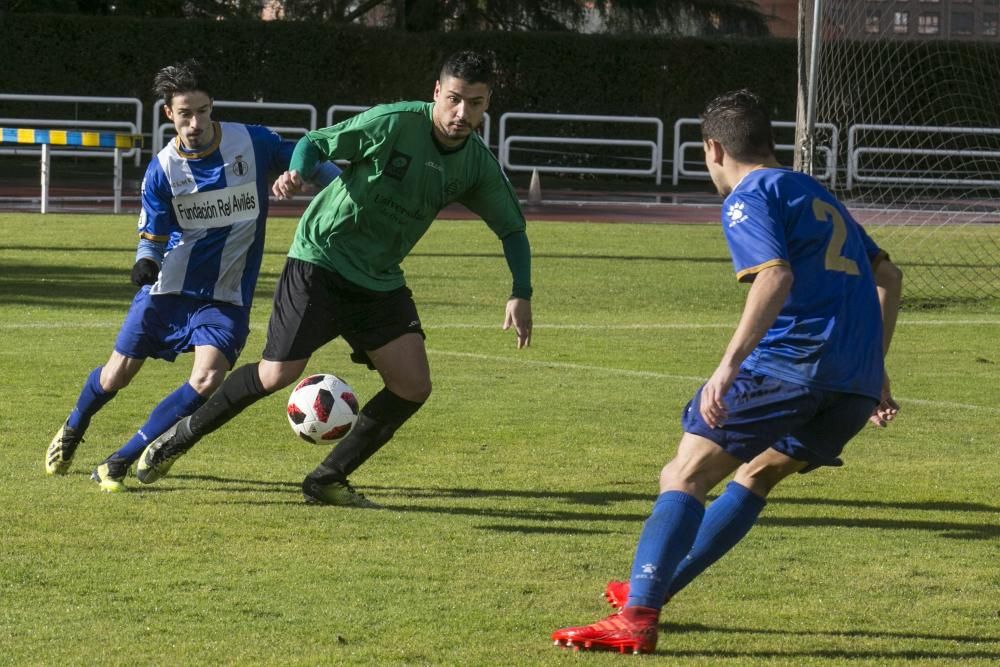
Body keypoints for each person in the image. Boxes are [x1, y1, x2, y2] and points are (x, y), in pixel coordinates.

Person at [551, 89, 903, 655]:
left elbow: (774, 277)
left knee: (685, 472)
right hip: (852, 383)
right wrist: (875, 368)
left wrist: (727, 367)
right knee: (756, 474)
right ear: (770, 140)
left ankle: (638, 616)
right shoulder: (813, 190)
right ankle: (652, 590)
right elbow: (890, 277)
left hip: (791, 365)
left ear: (713, 148)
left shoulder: (748, 195)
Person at [133, 50, 534, 507]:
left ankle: (327, 478)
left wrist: (520, 292)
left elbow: (513, 229)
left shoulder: (475, 164)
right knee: (276, 373)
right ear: (437, 93)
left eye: (476, 104)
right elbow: (316, 142)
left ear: (487, 105)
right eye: (455, 100)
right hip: (320, 259)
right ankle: (176, 438)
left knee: (413, 385)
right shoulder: (394, 123)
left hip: (378, 279)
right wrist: (300, 173)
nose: (463, 114)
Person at [45, 59, 340, 492]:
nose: (195, 122)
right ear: (170, 114)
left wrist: (331, 184)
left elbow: (306, 155)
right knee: (116, 376)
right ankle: (74, 426)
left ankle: (119, 461)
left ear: (212, 108)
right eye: (185, 113)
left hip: (225, 296)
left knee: (206, 378)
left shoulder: (252, 143)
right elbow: (152, 235)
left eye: (202, 111)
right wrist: (146, 260)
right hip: (167, 289)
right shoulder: (162, 170)